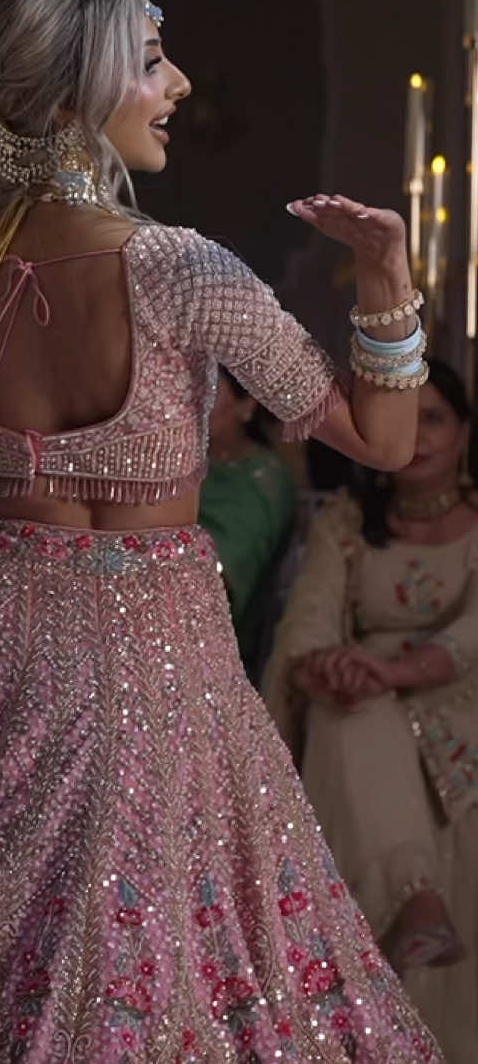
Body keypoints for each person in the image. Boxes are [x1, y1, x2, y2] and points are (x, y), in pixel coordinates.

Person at [0, 0, 435, 1061]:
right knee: (150, 947)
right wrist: (384, 280)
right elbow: (386, 441)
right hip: (153, 653)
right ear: (78, 96)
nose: (177, 84)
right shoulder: (179, 267)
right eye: (150, 62)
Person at [263, 360, 478, 1059]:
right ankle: (414, 897)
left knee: (363, 720)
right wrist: (327, 663)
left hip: (459, 692)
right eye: (402, 418)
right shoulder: (349, 521)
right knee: (347, 717)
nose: (417, 436)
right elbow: (311, 619)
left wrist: (395, 668)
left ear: (467, 430)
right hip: (364, 695)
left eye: (435, 418)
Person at [198, 368, 297, 669]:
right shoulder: (179, 469)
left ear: (247, 404)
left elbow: (211, 591)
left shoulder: (258, 480)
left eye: (209, 390)